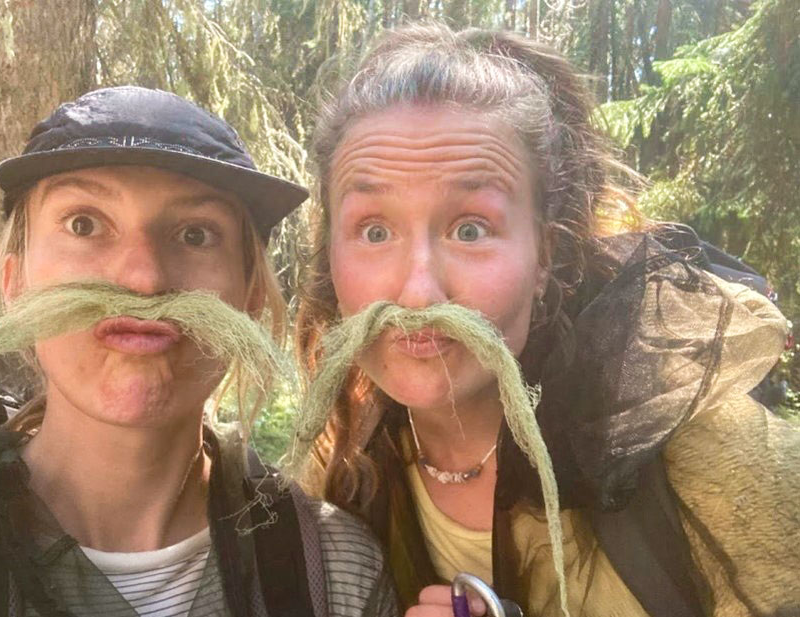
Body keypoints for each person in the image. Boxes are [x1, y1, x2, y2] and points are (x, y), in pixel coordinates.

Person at [295, 24, 800, 617]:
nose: (417, 292)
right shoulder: (335, 478)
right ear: (331, 257)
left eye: (471, 229)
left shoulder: (706, 458)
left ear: (545, 258)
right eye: (375, 231)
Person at [0, 86, 398, 617]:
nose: (144, 279)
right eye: (85, 224)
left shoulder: (335, 572)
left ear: (251, 298)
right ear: (16, 286)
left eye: (195, 234)